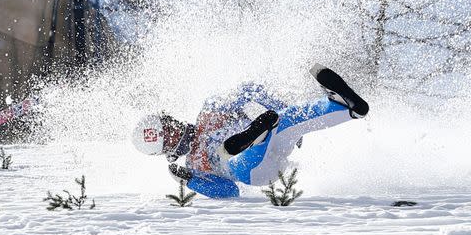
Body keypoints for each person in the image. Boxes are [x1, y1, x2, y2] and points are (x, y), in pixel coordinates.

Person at [131, 64, 369, 198]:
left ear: (172, 120)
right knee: (233, 160)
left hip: (273, 141)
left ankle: (347, 108)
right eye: (168, 139)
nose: (175, 133)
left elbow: (250, 90)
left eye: (170, 127)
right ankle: (256, 136)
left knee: (285, 118)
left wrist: (277, 107)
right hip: (256, 171)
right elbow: (230, 191)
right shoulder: (194, 166)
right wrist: (193, 182)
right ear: (166, 152)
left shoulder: (210, 111)